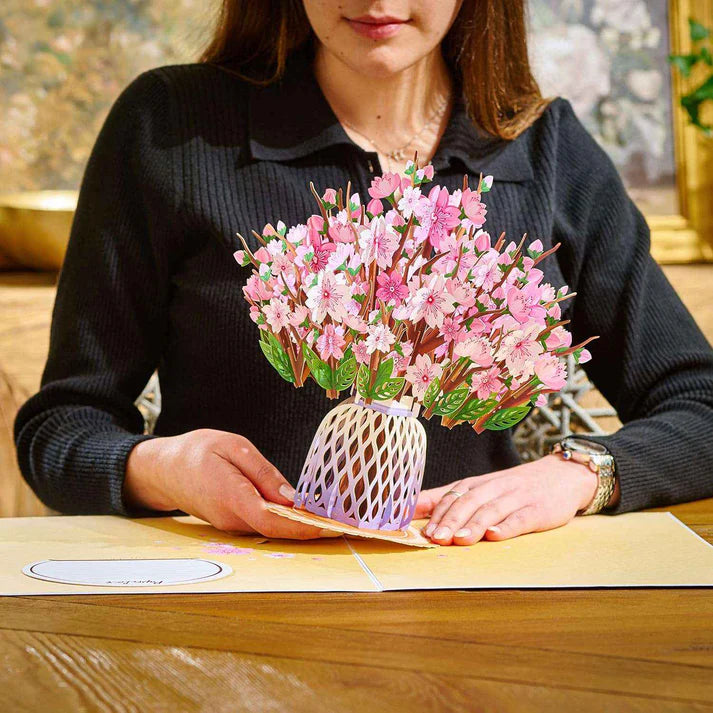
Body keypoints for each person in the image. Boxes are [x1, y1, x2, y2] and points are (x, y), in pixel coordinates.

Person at [14, 0, 713, 546]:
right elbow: (61, 430)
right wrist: (164, 469)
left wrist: (580, 474)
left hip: (475, 613)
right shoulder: (169, 127)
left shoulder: (547, 148)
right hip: (226, 603)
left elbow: (700, 408)